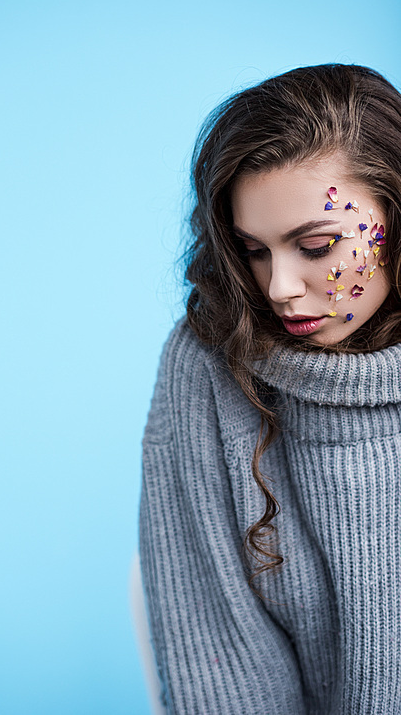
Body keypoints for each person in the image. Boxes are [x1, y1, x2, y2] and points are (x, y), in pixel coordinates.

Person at [138, 64, 401, 714]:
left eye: (316, 245)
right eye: (253, 249)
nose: (279, 286)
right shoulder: (207, 362)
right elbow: (216, 658)